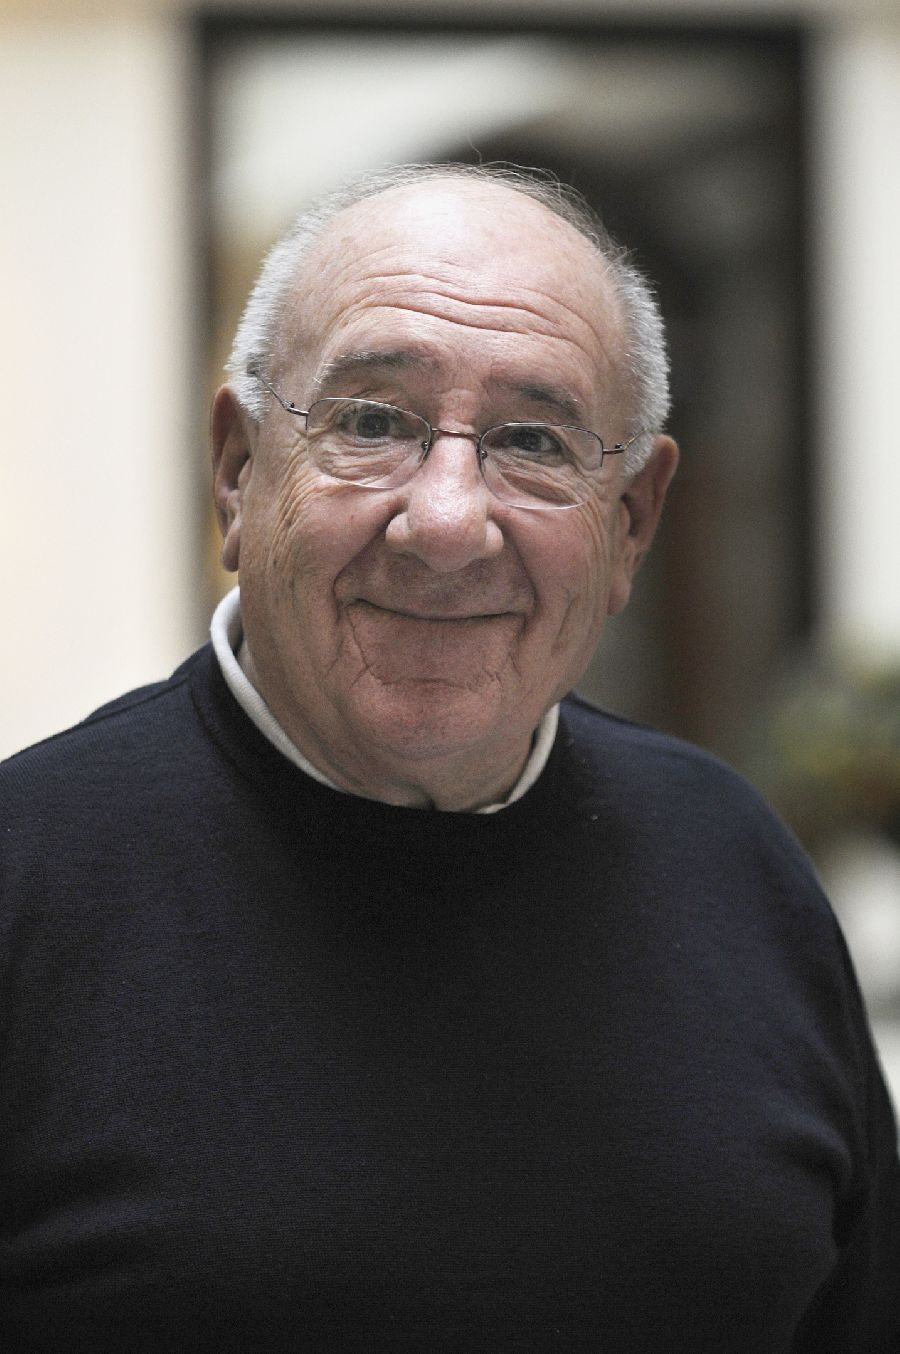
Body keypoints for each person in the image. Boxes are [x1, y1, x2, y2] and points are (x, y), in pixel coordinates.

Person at [1, 163, 897, 1353]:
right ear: (237, 470)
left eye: (533, 440)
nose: (446, 521)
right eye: (373, 421)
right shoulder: (27, 883)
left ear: (630, 523)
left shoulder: (735, 865)